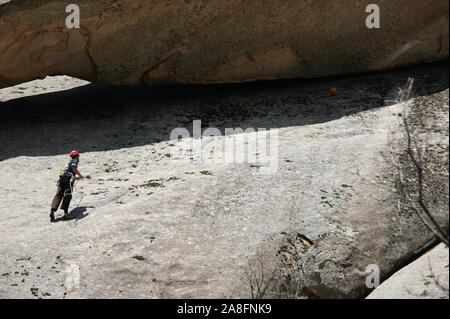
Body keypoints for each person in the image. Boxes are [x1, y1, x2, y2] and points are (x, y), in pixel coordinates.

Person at [50, 150, 91, 222]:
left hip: (62, 179)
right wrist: (80, 175)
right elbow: (73, 168)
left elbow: (72, 176)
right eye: (78, 156)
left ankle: (52, 211)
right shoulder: (74, 161)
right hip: (67, 181)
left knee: (58, 195)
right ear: (77, 156)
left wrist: (83, 177)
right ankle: (66, 214)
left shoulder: (68, 164)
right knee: (68, 195)